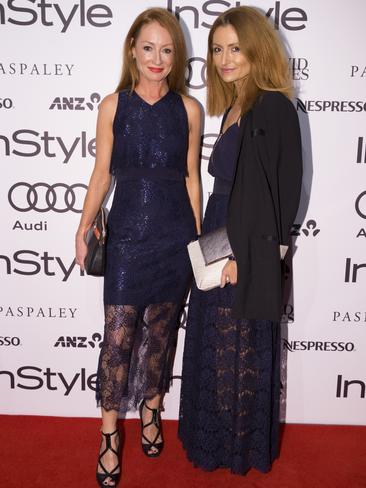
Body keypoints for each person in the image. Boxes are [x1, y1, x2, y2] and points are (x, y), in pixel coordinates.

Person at [75, 8, 201, 486]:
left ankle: (151, 409)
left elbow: (192, 179)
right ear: (132, 49)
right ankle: (109, 434)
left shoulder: (188, 109)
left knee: (159, 335)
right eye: (148, 47)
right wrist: (83, 227)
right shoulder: (114, 105)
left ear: (176, 56)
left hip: (174, 238)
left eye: (166, 50)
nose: (157, 58)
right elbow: (101, 173)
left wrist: (196, 239)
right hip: (126, 235)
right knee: (118, 338)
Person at [179, 6, 302, 476]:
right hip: (220, 233)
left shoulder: (272, 105)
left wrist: (244, 257)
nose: (225, 59)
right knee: (216, 346)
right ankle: (212, 442)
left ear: (257, 50)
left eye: (236, 48)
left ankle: (237, 451)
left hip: (244, 243)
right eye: (217, 49)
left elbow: (283, 193)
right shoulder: (233, 104)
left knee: (240, 349)